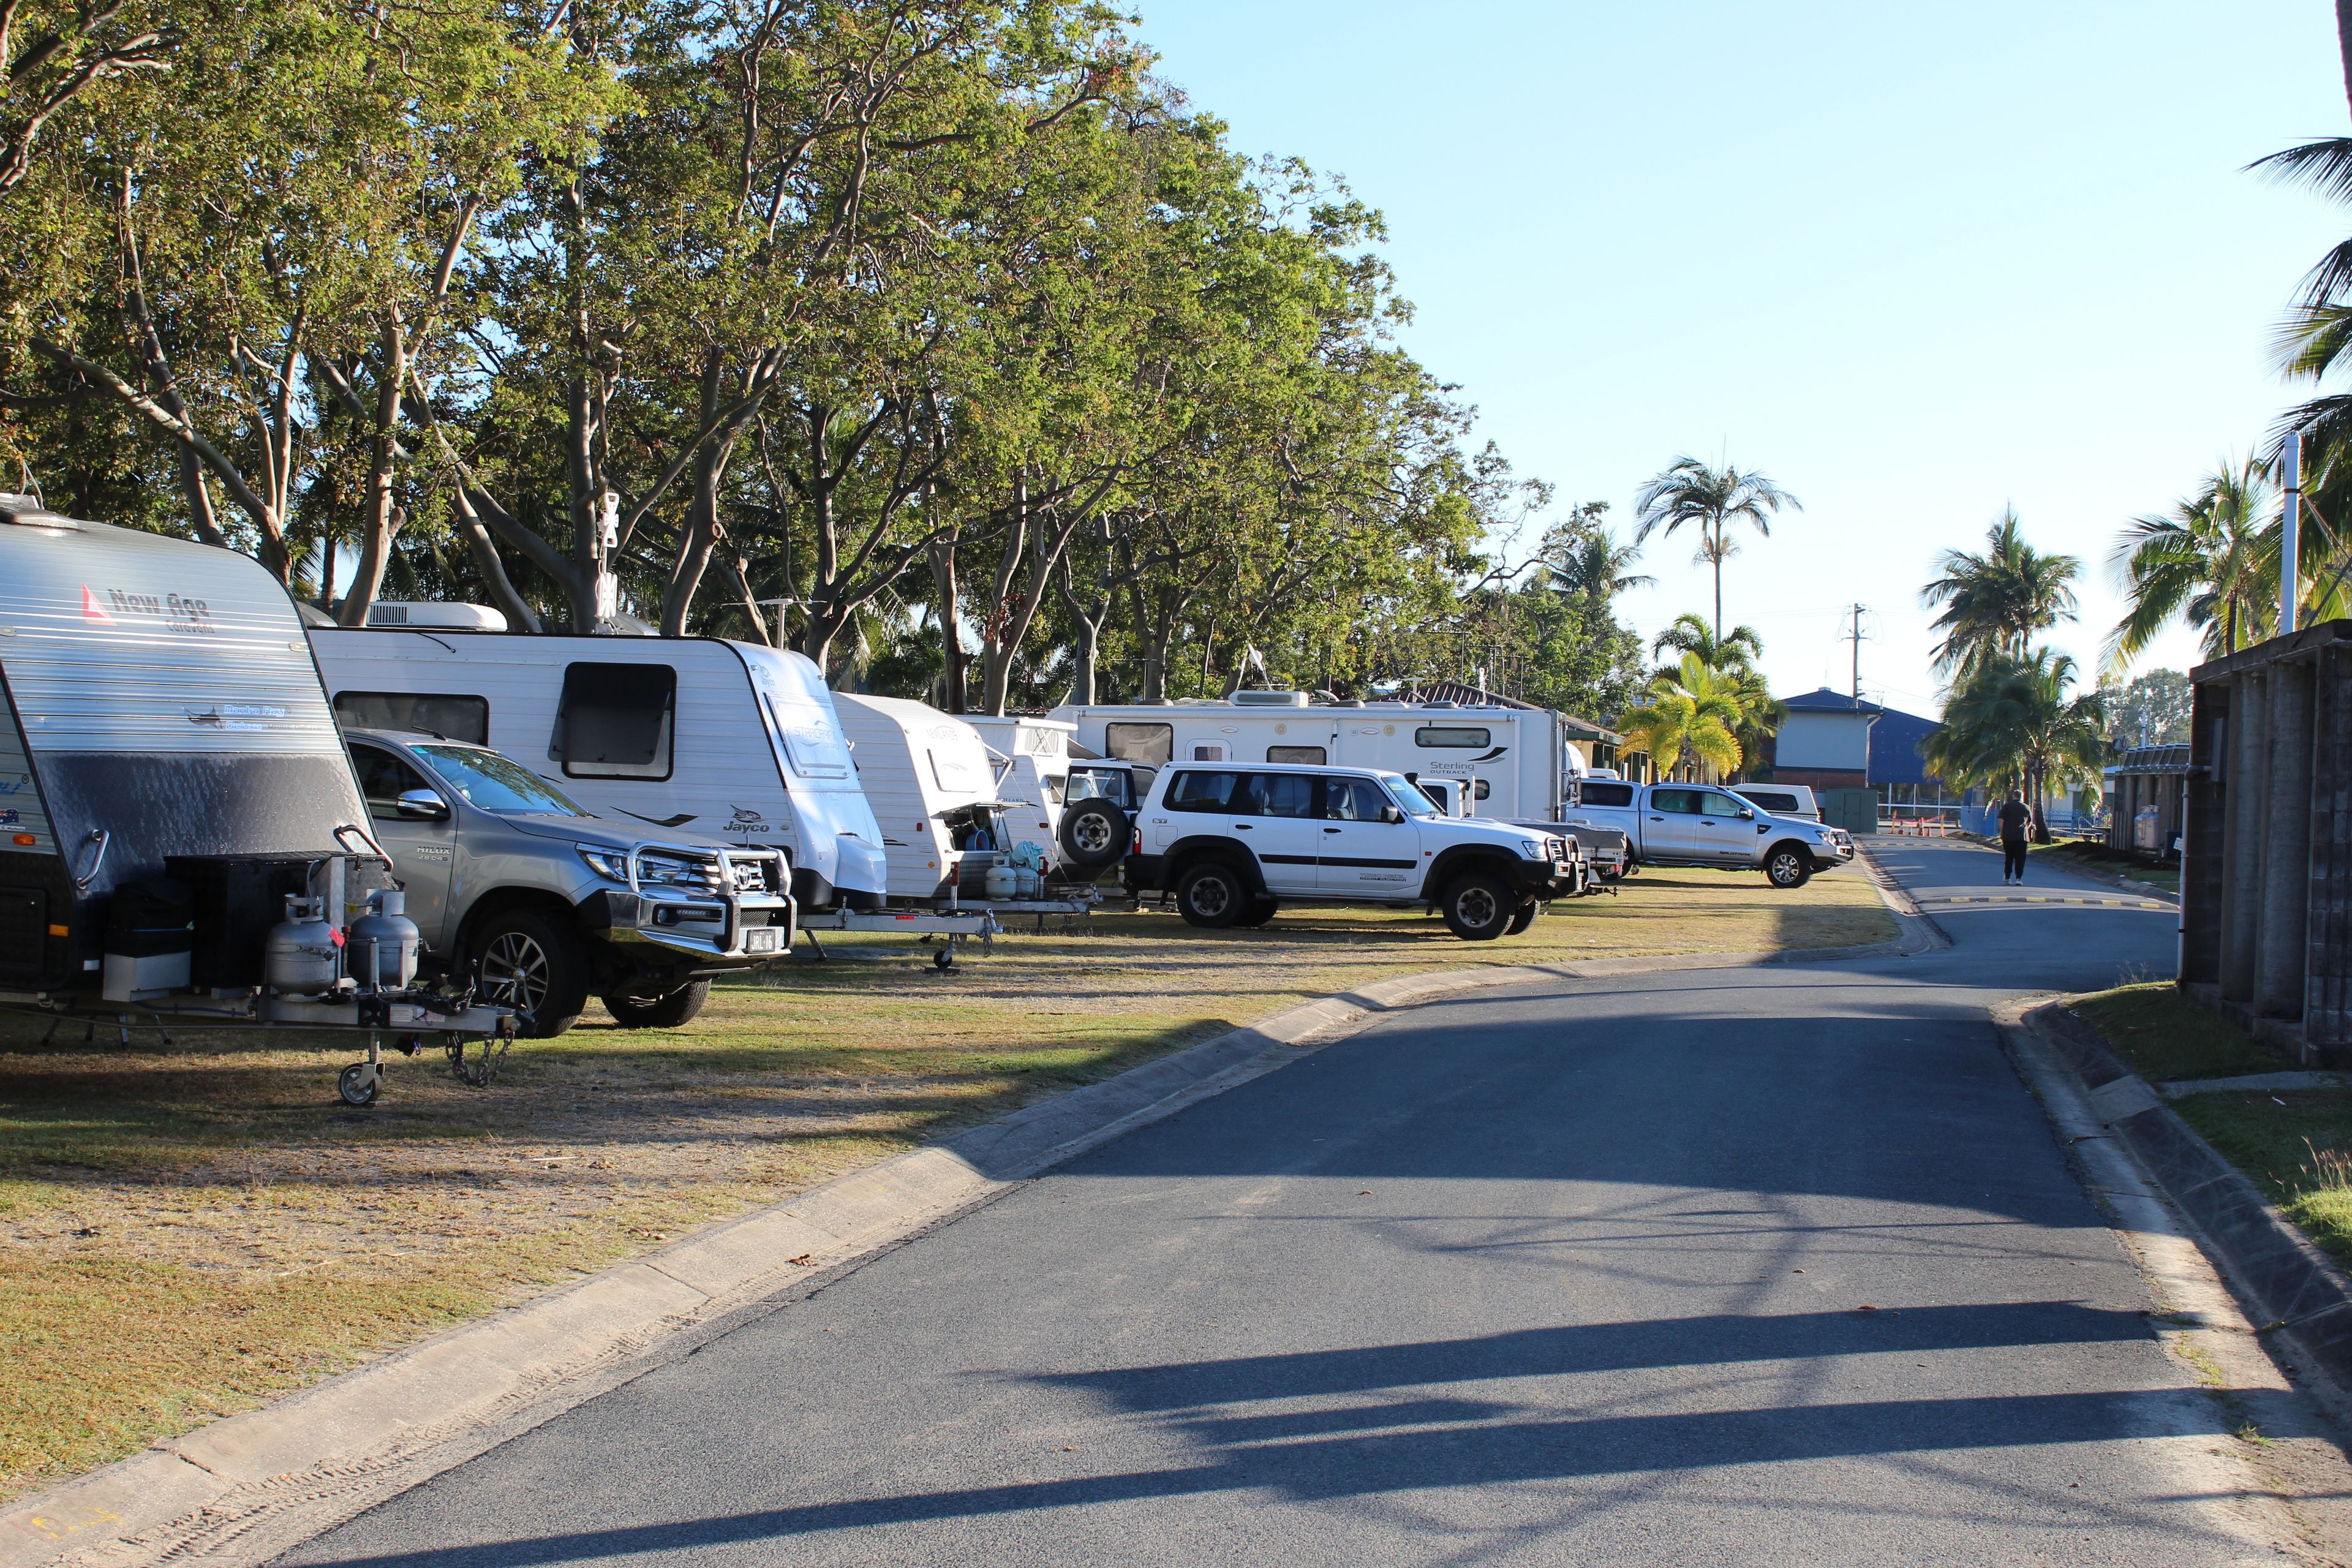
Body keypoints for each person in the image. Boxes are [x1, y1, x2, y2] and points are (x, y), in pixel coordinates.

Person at [1997, 790, 2032, 884]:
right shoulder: (2026, 807)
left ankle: (2007, 877)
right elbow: (2029, 822)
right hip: (2022, 836)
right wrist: (2025, 829)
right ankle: (2018, 879)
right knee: (2020, 858)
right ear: (2021, 796)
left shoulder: (2007, 806)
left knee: (2009, 857)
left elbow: (2001, 820)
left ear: (2014, 796)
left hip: (2008, 836)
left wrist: (2001, 832)